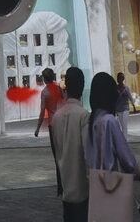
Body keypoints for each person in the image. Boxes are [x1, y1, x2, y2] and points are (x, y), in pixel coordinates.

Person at [84, 72, 140, 203]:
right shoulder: (109, 121)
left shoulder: (92, 120)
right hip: (110, 187)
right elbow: (128, 161)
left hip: (95, 186)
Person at [49, 67, 89, 222]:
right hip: (83, 190)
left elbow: (57, 152)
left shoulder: (57, 117)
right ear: (82, 86)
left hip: (66, 188)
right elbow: (88, 154)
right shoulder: (83, 116)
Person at [34, 67, 65, 141]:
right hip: (63, 121)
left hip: (53, 123)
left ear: (44, 79)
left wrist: (38, 128)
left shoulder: (44, 92)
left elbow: (42, 111)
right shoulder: (59, 88)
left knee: (55, 146)